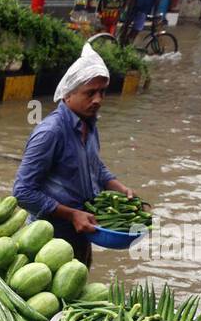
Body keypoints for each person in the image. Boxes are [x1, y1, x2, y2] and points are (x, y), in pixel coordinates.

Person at [12, 44, 136, 267]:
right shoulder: (51, 133)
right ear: (69, 94)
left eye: (102, 92)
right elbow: (22, 192)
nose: (98, 99)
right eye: (90, 93)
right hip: (48, 239)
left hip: (83, 231)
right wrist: (71, 214)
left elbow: (94, 165)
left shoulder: (89, 123)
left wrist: (120, 188)